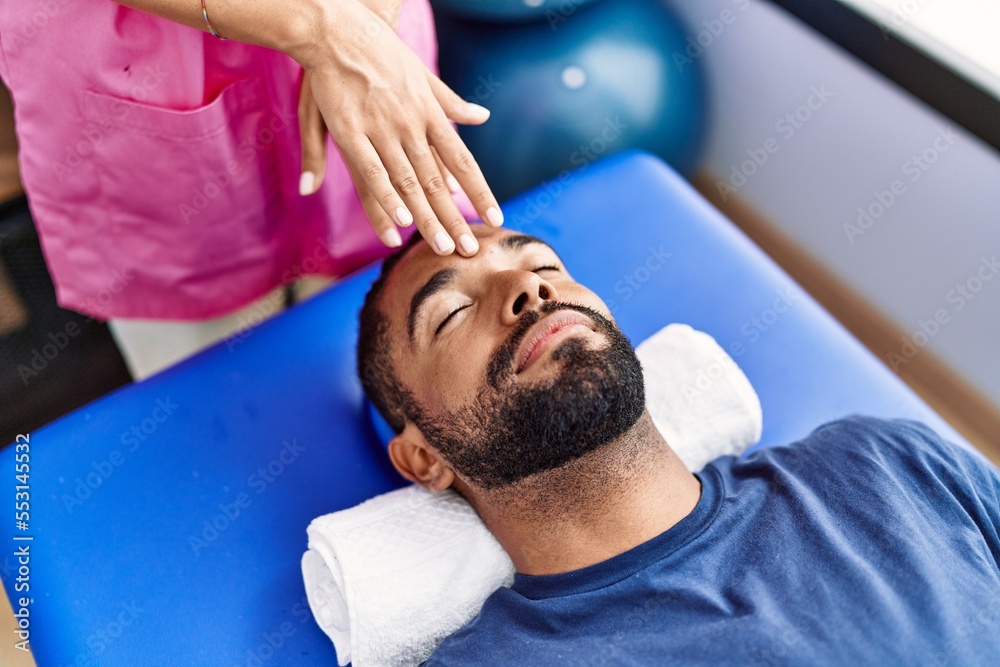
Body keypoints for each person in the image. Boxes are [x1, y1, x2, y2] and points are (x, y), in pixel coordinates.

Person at [355, 225, 1000, 665]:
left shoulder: (887, 463)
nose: (528, 289)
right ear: (424, 458)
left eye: (544, 264)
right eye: (451, 314)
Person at [0, 0, 501, 378]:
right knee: (219, 398)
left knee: (397, 325)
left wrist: (367, 28)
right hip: (149, 76)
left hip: (372, 56)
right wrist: (322, 32)